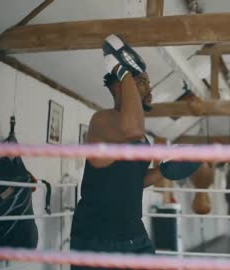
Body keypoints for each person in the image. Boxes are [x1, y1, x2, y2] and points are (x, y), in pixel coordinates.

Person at [69, 34, 162, 269]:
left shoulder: (142, 138)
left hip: (133, 232)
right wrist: (122, 69)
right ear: (122, 85)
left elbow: (136, 180)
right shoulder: (102, 121)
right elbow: (131, 128)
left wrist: (168, 170)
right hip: (98, 237)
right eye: (142, 82)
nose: (149, 89)